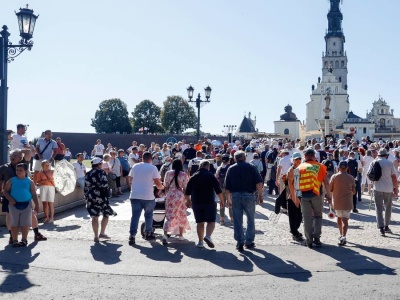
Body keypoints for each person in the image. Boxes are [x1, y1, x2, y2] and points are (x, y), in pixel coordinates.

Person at [0, 150, 46, 244]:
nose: (13, 156)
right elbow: (0, 182)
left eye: (16, 155)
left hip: (25, 197)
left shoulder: (23, 164)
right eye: (12, 155)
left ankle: (36, 233)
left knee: (32, 215)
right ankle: (12, 237)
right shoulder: (3, 168)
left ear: (20, 157)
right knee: (9, 217)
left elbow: (29, 152)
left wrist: (19, 151)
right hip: (9, 196)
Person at [225, 150, 263, 251]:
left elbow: (227, 187)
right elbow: (259, 183)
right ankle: (249, 241)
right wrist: (260, 196)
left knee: (237, 220)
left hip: (236, 196)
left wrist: (228, 199)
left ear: (234, 158)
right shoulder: (251, 167)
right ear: (245, 158)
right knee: (250, 219)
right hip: (249, 196)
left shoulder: (231, 168)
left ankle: (240, 242)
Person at [295, 148, 331, 248]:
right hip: (316, 194)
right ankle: (317, 238)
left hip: (304, 195)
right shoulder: (321, 166)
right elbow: (326, 182)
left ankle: (309, 240)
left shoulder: (299, 167)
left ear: (305, 156)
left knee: (307, 218)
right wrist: (329, 194)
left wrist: (297, 198)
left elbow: (296, 185)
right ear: (314, 156)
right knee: (318, 216)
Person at [185, 160, 224, 248]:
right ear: (207, 167)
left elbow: (187, 192)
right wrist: (222, 200)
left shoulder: (193, 176)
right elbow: (218, 190)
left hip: (196, 202)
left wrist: (188, 201)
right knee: (211, 221)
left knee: (200, 222)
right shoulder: (210, 176)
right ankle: (208, 236)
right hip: (209, 201)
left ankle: (200, 242)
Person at [128, 152, 164, 245]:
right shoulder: (153, 168)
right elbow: (157, 182)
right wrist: (162, 188)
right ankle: (148, 232)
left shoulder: (135, 166)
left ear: (142, 158)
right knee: (148, 215)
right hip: (148, 195)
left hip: (135, 195)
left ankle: (132, 235)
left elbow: (130, 179)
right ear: (151, 159)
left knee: (135, 216)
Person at [3, 163, 40, 247]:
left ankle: (24, 240)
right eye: (17, 170)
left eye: (20, 170)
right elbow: (5, 191)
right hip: (14, 205)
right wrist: (11, 200)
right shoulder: (12, 180)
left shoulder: (29, 182)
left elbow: (34, 193)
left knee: (25, 224)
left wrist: (37, 205)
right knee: (14, 224)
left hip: (27, 204)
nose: (18, 172)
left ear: (25, 171)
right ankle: (15, 240)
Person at [84, 157, 117, 242]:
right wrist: (108, 191)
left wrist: (86, 197)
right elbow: (104, 184)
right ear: (99, 164)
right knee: (106, 214)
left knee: (95, 216)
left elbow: (86, 187)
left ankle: (96, 236)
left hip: (91, 196)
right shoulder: (101, 172)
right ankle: (102, 233)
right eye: (101, 164)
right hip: (101, 196)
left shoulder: (88, 173)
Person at [369, 148, 398, 236]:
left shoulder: (374, 162)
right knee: (388, 208)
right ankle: (386, 226)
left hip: (377, 188)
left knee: (379, 208)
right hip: (388, 188)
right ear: (386, 155)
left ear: (378, 155)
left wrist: (373, 181)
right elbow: (394, 177)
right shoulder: (389, 163)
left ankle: (381, 227)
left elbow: (369, 174)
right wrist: (396, 188)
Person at [162, 159, 190, 244]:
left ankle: (165, 235)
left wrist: (167, 194)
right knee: (181, 214)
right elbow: (185, 188)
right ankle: (181, 235)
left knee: (169, 216)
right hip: (180, 196)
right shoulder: (183, 174)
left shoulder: (168, 173)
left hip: (170, 195)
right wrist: (187, 199)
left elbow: (166, 186)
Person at [329, 161, 356, 246]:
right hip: (347, 202)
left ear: (338, 168)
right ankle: (343, 236)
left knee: (339, 217)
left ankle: (341, 234)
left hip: (337, 201)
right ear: (347, 168)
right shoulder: (351, 177)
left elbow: (330, 189)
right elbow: (354, 191)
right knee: (345, 219)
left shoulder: (334, 177)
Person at [286, 152, 304, 242]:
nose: (298, 161)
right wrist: (294, 198)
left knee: (299, 216)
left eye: (299, 159)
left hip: (299, 195)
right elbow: (291, 185)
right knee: (294, 216)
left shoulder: (300, 169)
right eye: (296, 159)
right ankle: (294, 232)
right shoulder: (291, 170)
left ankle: (294, 230)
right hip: (293, 196)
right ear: (293, 160)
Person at [215, 154, 233, 225]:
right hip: (229, 188)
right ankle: (232, 218)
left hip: (221, 187)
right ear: (228, 161)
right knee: (230, 202)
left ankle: (222, 220)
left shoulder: (219, 168)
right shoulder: (230, 167)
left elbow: (216, 176)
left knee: (222, 202)